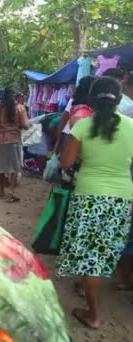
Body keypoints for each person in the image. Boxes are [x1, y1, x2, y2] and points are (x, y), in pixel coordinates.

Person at [57, 76, 133, 329]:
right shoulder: (132, 126)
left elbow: (66, 163)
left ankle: (94, 315)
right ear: (120, 100)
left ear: (91, 98)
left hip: (89, 196)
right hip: (122, 198)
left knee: (90, 257)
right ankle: (88, 294)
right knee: (103, 254)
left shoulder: (81, 125)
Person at [0, 88, 30, 202]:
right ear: (14, 96)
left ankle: (1, 190)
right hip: (14, 140)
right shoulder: (20, 108)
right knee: (15, 166)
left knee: (1, 166)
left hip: (0, 139)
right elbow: (26, 125)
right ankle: (11, 190)